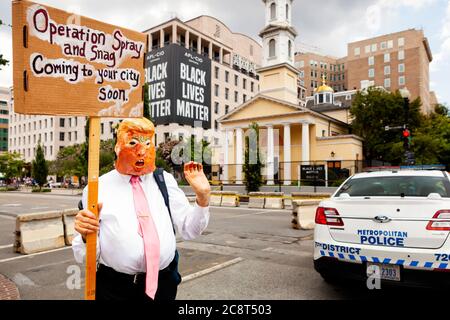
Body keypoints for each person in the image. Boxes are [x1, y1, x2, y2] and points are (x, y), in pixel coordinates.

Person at [72, 118, 211, 301]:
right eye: (133, 143)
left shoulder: (164, 180)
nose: (142, 151)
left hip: (163, 286)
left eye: (148, 143)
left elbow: (190, 229)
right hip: (116, 289)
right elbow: (86, 255)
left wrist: (203, 198)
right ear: (118, 147)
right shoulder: (96, 188)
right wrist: (85, 235)